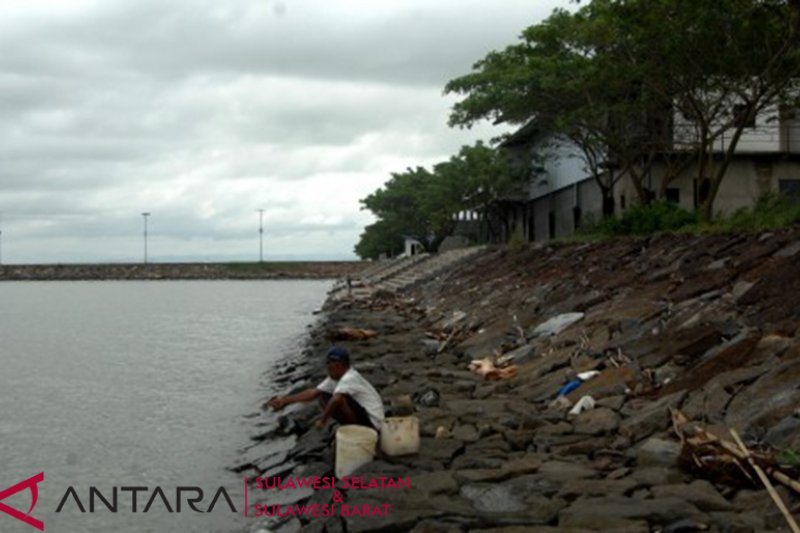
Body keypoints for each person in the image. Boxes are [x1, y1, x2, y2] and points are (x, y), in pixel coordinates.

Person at [268, 346, 384, 431]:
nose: (327, 367)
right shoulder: (335, 378)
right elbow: (313, 392)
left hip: (373, 422)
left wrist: (322, 421)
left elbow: (337, 399)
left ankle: (356, 431)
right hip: (365, 416)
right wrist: (285, 400)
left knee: (338, 399)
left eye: (329, 364)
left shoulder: (349, 378)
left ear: (339, 364)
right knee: (323, 396)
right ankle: (351, 427)